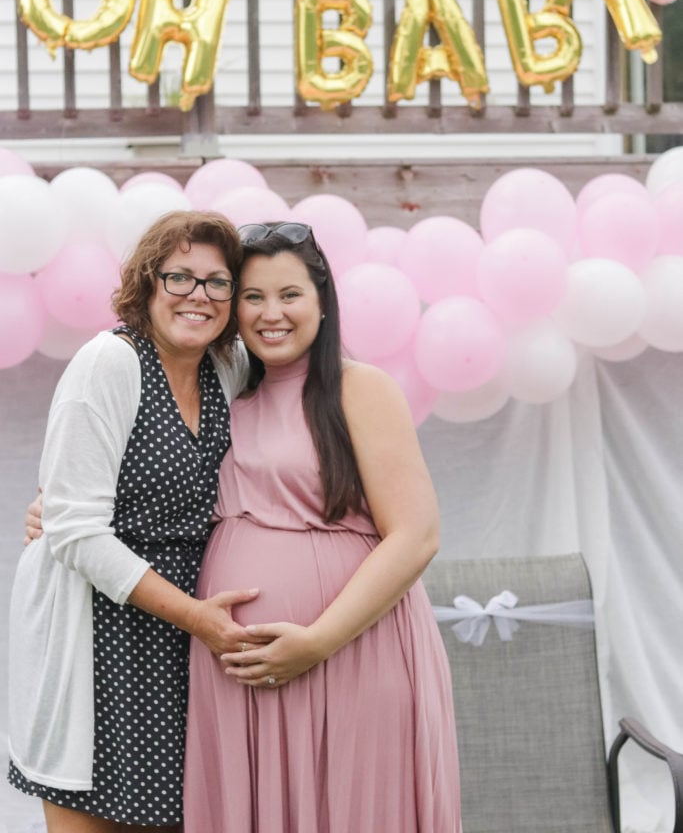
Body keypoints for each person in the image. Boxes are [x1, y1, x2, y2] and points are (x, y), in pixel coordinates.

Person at [183, 220, 461, 832]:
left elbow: (416, 535)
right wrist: (58, 506)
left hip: (353, 653)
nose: (270, 313)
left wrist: (317, 642)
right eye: (253, 297)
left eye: (289, 295)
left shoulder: (360, 389)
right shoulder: (223, 393)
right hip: (238, 673)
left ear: (322, 302)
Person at [8, 210, 259, 833]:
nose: (198, 296)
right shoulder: (111, 364)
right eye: (180, 278)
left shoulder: (226, 370)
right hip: (99, 629)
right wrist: (196, 615)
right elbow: (76, 531)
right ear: (147, 284)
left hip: (179, 637)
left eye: (217, 283)